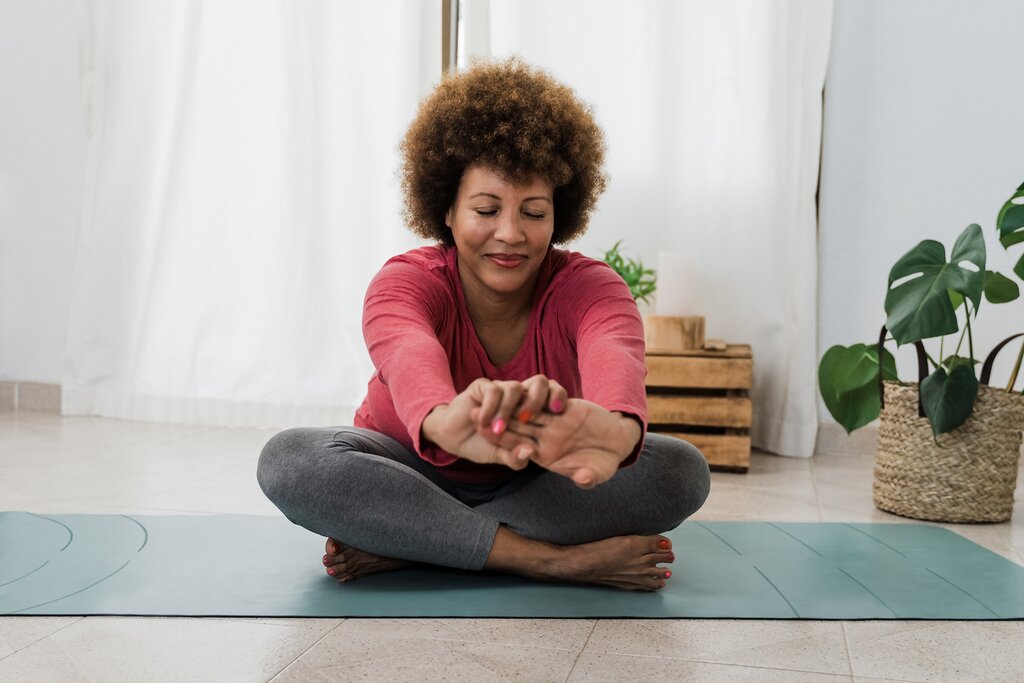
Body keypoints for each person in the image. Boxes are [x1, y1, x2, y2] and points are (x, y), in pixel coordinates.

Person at [257, 58, 710, 592]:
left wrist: (616, 430)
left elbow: (615, 350)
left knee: (681, 469)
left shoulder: (592, 287)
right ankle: (543, 559)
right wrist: (445, 420)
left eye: (534, 212)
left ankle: (418, 543)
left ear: (559, 216)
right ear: (446, 209)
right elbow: (406, 352)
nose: (511, 233)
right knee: (290, 460)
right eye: (487, 209)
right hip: (409, 473)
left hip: (539, 482)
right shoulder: (406, 281)